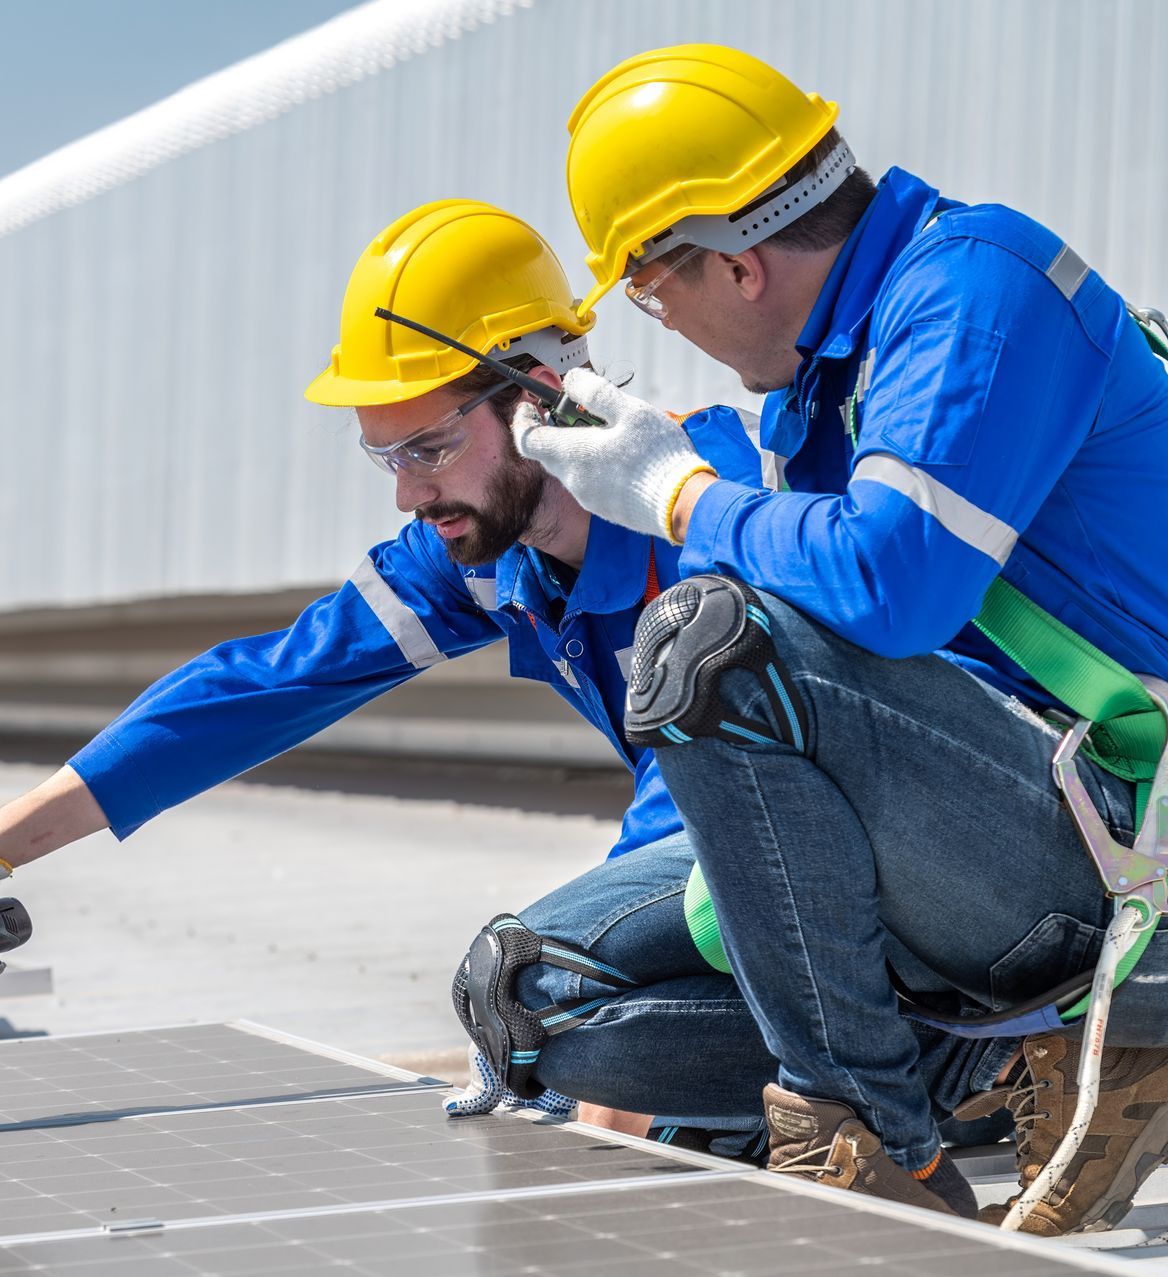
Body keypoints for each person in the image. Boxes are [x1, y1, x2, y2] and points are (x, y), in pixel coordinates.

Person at [493, 43, 1168, 1230]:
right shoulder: (818, 392)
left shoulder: (980, 285)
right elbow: (794, 700)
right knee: (532, 990)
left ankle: (874, 1140)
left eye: (652, 295)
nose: (671, 330)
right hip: (986, 830)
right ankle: (997, 1060)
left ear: (736, 266)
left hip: (1123, 829)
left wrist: (680, 495)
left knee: (708, 638)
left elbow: (894, 587)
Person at [0, 198, 760, 1133]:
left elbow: (702, 787)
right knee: (565, 1018)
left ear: (541, 394)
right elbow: (256, 688)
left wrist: (546, 970)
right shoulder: (487, 553)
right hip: (749, 875)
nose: (409, 490)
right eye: (383, 454)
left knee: (561, 1017)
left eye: (430, 447)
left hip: (881, 861)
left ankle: (912, 1069)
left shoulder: (702, 497)